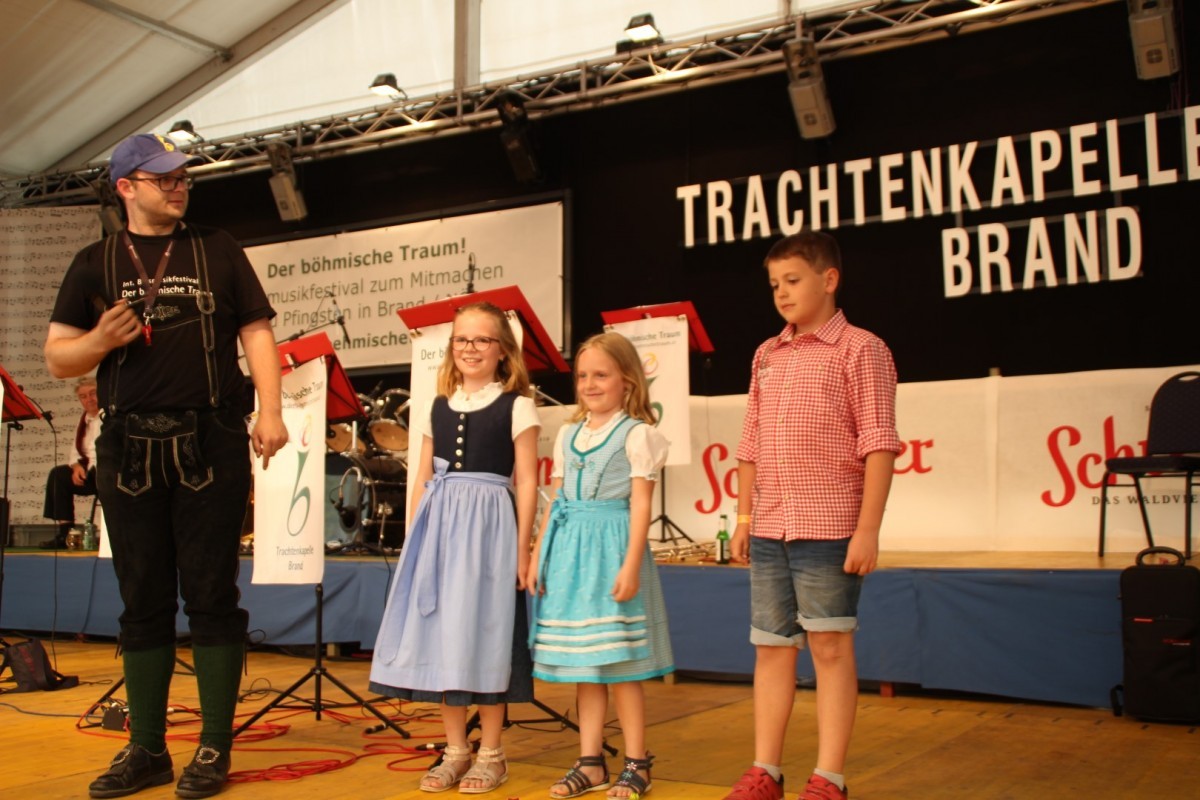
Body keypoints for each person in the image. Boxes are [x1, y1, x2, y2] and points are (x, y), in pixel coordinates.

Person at [44, 133, 288, 800]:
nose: (178, 187)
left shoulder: (218, 247)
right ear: (126, 187)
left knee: (212, 596)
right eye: (163, 179)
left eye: (182, 177)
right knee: (141, 599)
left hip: (211, 439)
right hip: (128, 447)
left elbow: (257, 330)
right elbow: (58, 357)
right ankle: (147, 748)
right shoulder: (94, 262)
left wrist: (270, 411)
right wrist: (99, 340)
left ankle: (213, 746)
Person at [724, 232, 901, 800]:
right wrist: (744, 518)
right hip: (770, 525)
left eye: (793, 280)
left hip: (829, 527)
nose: (781, 292)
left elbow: (879, 442)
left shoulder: (861, 349)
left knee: (829, 646)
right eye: (774, 283)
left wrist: (867, 529)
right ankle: (765, 771)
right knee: (771, 646)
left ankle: (829, 778)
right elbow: (750, 442)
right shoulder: (766, 354)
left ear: (829, 280)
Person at [368, 300, 540, 794]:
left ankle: (492, 753)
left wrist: (522, 548)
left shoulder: (516, 405)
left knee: (486, 633)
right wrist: (415, 538)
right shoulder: (436, 406)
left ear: (503, 350)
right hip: (440, 526)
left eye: (482, 339)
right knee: (445, 634)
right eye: (462, 339)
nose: (470, 348)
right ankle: (456, 750)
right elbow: (423, 476)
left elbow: (527, 480)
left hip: (489, 528)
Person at [528, 331, 674, 800]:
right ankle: (590, 761)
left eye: (601, 375)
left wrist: (631, 565)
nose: (590, 384)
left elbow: (640, 505)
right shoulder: (569, 434)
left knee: (622, 665)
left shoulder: (637, 435)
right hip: (571, 554)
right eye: (582, 375)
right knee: (584, 664)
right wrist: (538, 554)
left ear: (627, 380)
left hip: (611, 550)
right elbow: (556, 499)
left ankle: (636, 763)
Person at [39, 376, 101, 549]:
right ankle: (65, 534)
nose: (89, 399)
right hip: (90, 473)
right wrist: (76, 466)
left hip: (108, 472)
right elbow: (75, 451)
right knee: (58, 475)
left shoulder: (110, 417)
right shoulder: (84, 421)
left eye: (93, 393)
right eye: (83, 396)